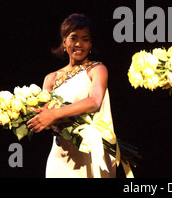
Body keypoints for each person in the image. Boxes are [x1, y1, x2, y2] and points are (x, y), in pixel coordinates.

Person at [27, 13, 116, 178]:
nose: (79, 44)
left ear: (91, 44)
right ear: (64, 42)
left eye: (85, 39)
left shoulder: (97, 69)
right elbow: (45, 118)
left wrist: (56, 114)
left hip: (90, 152)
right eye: (74, 38)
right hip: (60, 157)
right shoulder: (50, 78)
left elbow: (94, 101)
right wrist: (44, 120)